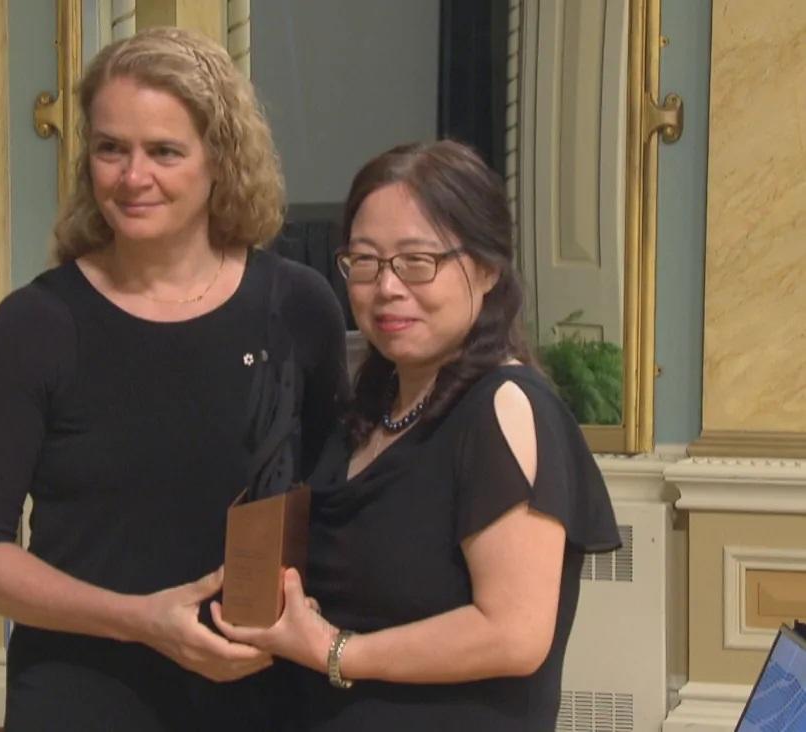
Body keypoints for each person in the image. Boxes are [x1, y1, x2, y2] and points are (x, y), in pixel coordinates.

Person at [0, 27, 346, 732]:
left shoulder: (299, 308)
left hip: (260, 692)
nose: (132, 177)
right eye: (110, 149)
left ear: (221, 160)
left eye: (164, 151)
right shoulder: (34, 325)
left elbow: (330, 511)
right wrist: (140, 621)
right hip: (81, 693)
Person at [213, 140, 621, 730]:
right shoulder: (374, 404)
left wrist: (334, 651)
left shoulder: (503, 407)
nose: (387, 288)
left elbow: (513, 633)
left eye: (416, 261)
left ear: (485, 269)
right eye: (366, 262)